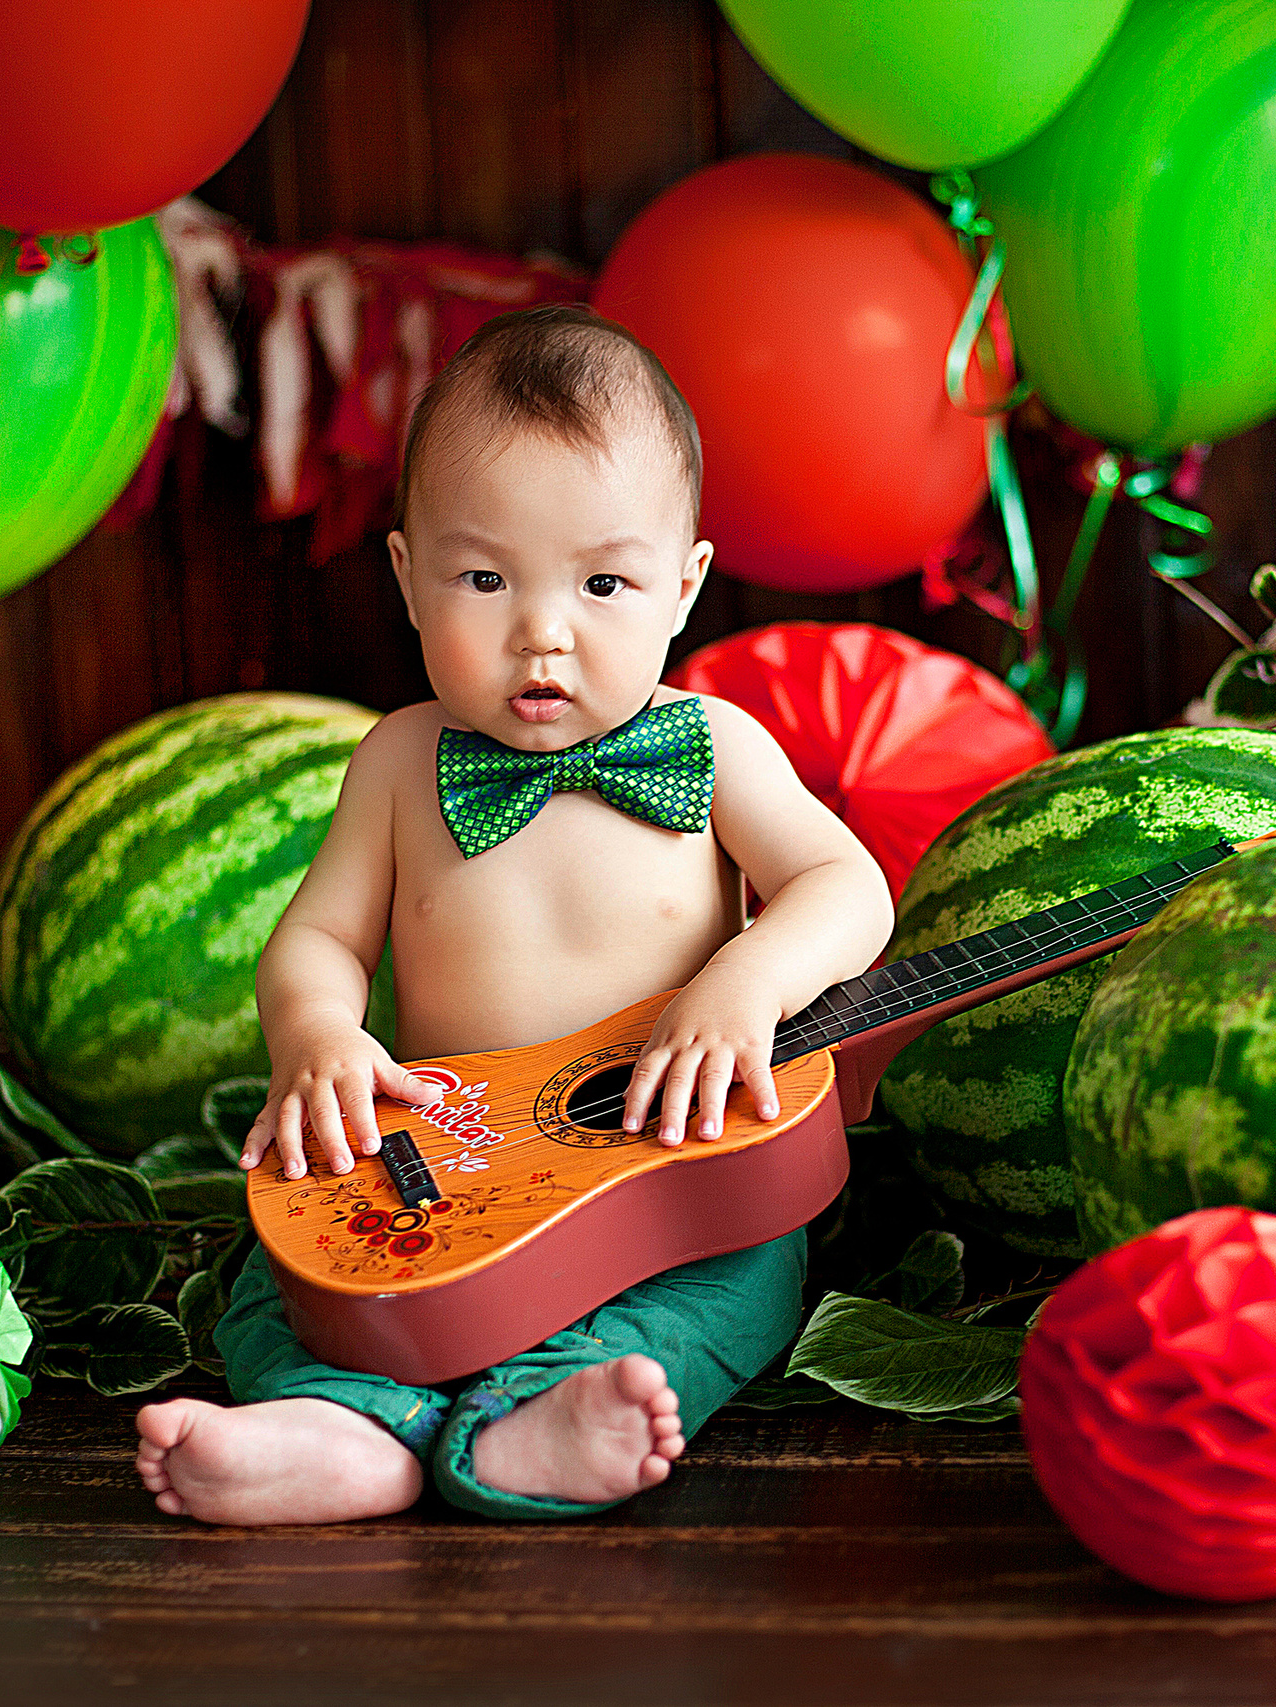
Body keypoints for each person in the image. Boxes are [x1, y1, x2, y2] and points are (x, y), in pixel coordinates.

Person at [133, 305, 894, 1526]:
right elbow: (318, 941)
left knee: (718, 1293)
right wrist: (319, 1035)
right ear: (407, 578)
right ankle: (339, 1432)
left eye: (603, 582)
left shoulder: (714, 750)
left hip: (671, 1176)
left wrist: (744, 982)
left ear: (684, 585)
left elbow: (847, 887)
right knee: (282, 1285)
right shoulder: (397, 762)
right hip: (453, 1170)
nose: (542, 630)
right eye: (484, 578)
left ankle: (541, 1421)